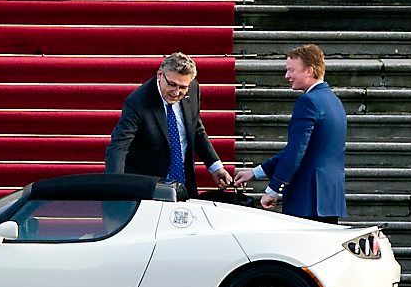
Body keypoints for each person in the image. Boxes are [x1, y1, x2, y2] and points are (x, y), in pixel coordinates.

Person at [234, 44, 347, 223]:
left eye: (291, 70)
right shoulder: (334, 101)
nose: (287, 76)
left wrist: (273, 189)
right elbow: (306, 149)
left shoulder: (308, 101)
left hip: (307, 198)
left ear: (309, 70)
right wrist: (256, 172)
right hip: (328, 198)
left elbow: (296, 151)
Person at [105, 52, 233, 196]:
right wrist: (114, 187)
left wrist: (216, 167)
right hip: (149, 187)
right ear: (160, 75)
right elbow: (119, 146)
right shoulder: (138, 102)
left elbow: (196, 130)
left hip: (184, 185)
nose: (176, 92)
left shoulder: (193, 88)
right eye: (172, 84)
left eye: (183, 87)